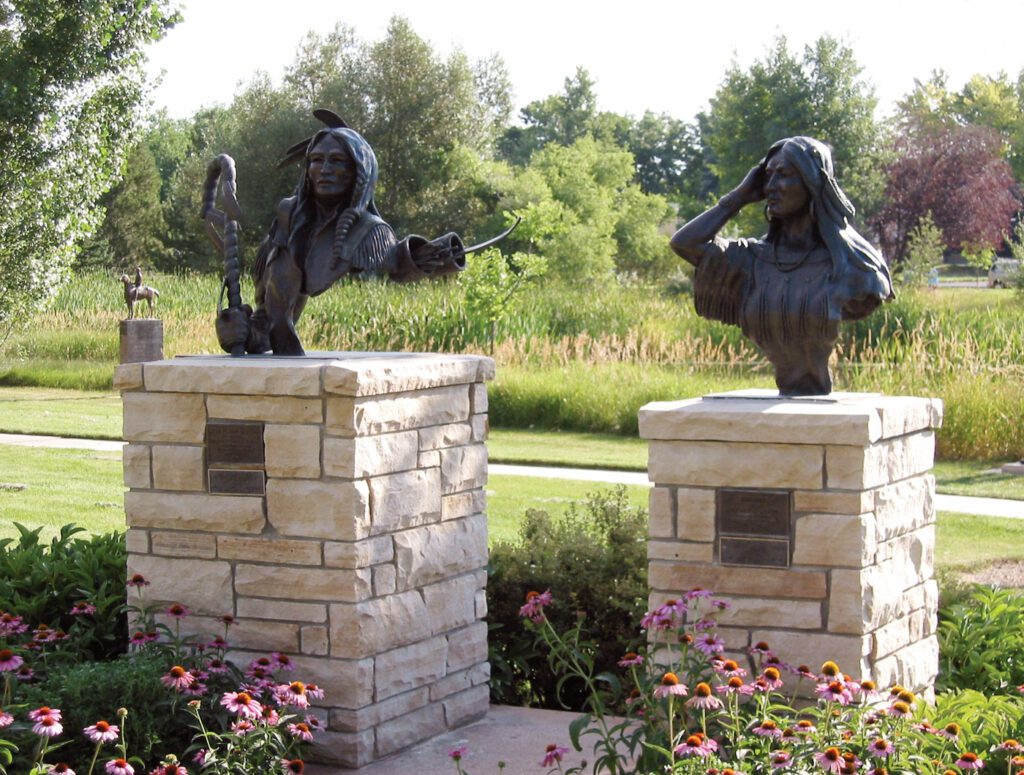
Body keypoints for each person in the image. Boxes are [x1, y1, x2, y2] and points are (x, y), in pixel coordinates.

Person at [669, 136, 893, 396]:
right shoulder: (752, 260)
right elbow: (684, 243)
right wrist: (739, 196)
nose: (771, 187)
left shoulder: (857, 268)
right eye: (767, 177)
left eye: (784, 175)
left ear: (812, 182)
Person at [226, 125, 464, 356]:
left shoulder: (372, 233)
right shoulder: (287, 219)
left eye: (337, 161)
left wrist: (427, 258)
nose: (325, 169)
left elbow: (398, 265)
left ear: (359, 171)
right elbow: (269, 322)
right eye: (317, 160)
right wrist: (240, 333)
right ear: (307, 169)